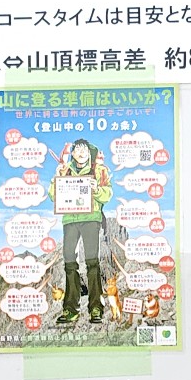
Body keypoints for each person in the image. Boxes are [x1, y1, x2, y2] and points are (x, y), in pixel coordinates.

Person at [50, 138, 113, 325]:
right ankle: (71, 309)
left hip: (91, 219)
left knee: (92, 262)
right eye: (77, 149)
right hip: (70, 220)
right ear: (73, 153)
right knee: (70, 262)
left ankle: (96, 308)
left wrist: (96, 189)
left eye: (84, 149)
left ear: (89, 152)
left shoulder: (99, 170)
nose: (81, 152)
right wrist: (56, 178)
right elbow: (53, 195)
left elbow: (108, 194)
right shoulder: (65, 169)